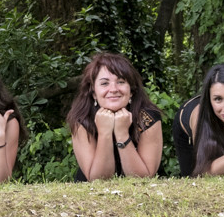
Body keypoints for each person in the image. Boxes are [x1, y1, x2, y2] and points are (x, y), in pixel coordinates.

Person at [67, 52, 163, 181]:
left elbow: (142, 178)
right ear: (94, 93)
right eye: (104, 83)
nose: (113, 89)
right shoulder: (81, 119)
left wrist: (122, 133)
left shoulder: (148, 118)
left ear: (132, 91)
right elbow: (99, 180)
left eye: (121, 82)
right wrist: (104, 133)